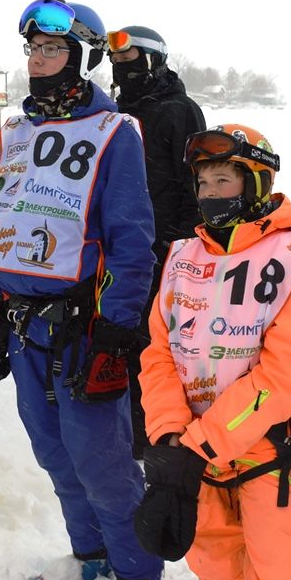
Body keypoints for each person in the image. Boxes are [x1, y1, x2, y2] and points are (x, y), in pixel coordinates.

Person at [0, 0, 162, 580]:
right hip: (25, 322)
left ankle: (135, 576)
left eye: (53, 47)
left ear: (82, 57)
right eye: (33, 47)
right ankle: (91, 562)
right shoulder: (15, 132)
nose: (37, 58)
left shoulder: (115, 131)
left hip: (85, 328)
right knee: (54, 456)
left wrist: (117, 328)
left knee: (102, 464)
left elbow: (133, 241)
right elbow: (11, 222)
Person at [136, 123, 291, 580]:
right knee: (215, 565)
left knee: (280, 568)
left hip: (265, 449)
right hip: (192, 451)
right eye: (202, 183)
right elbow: (159, 354)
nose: (210, 194)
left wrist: (197, 444)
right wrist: (169, 434)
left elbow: (288, 374)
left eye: (223, 181)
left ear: (255, 184)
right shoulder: (183, 256)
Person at [107, 25, 206, 458]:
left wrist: (180, 248)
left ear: (152, 60)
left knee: (156, 348)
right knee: (121, 339)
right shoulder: (114, 112)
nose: (120, 69)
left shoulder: (178, 110)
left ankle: (157, 437)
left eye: (129, 61)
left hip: (165, 253)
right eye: (116, 63)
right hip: (117, 252)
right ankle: (126, 431)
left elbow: (195, 186)